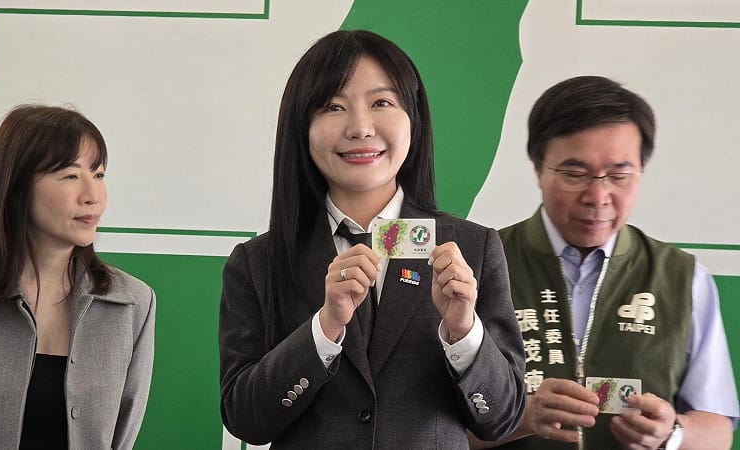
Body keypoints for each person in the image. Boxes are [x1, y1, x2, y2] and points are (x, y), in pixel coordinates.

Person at [219, 30, 525, 449]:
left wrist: (464, 331)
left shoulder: (472, 248)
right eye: (333, 107)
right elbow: (245, 419)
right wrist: (325, 327)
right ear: (301, 129)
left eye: (382, 103)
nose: (361, 128)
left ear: (413, 119)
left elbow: (501, 419)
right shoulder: (258, 262)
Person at [469, 75, 739, 450]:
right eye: (575, 174)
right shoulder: (478, 264)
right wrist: (519, 417)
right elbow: (422, 425)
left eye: (619, 175)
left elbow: (718, 429)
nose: (598, 196)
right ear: (537, 167)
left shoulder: (682, 277)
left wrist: (672, 433)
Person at [0, 105, 156, 449]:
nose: (92, 196)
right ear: (16, 185)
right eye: (70, 176)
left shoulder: (132, 303)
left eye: (99, 174)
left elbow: (121, 437)